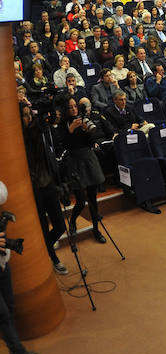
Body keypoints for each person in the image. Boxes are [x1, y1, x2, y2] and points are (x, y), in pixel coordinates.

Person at [0, 182, 46, 354]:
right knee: (3, 314)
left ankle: (14, 349)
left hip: (2, 262)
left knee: (9, 308)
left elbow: (2, 194)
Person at [20, 104, 68, 275]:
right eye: (25, 115)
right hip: (34, 190)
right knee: (41, 225)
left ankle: (43, 248)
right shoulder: (19, 140)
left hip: (48, 183)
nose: (30, 118)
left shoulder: (39, 132)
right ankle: (53, 257)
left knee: (60, 226)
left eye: (30, 114)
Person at [59, 96, 107, 244]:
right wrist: (71, 129)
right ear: (65, 110)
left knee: (93, 197)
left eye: (75, 106)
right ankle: (73, 221)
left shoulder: (83, 119)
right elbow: (64, 144)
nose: (73, 109)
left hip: (88, 158)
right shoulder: (63, 124)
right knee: (80, 200)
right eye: (70, 107)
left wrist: (87, 131)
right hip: (74, 160)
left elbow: (91, 142)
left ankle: (96, 229)